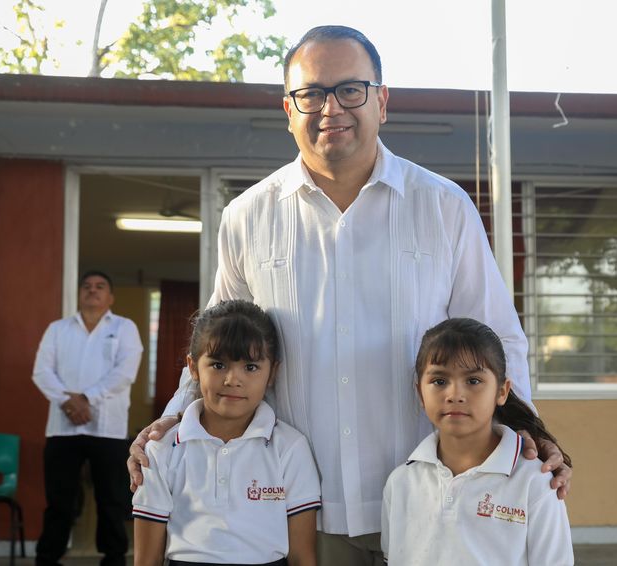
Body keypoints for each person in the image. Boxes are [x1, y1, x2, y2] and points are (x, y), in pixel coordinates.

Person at [129, 25, 572, 565]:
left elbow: (499, 339)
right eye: (310, 93)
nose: (329, 108)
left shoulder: (443, 207)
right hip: (305, 509)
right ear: (288, 109)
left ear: (381, 101)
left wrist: (528, 435)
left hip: (436, 496)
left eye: (349, 90)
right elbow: (221, 345)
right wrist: (173, 420)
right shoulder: (248, 216)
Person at [132, 300, 320, 566]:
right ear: (194, 368)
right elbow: (146, 560)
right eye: (218, 365)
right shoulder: (161, 449)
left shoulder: (289, 448)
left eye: (251, 367)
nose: (233, 379)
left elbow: (303, 557)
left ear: (272, 372)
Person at [381, 318, 573, 565]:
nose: (455, 395)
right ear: (420, 393)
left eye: (473, 381)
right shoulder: (401, 483)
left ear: (502, 392)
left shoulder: (534, 483)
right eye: (439, 381)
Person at [32, 270, 143, 566]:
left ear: (110, 297)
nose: (92, 291)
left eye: (100, 286)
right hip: (62, 428)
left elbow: (124, 373)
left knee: (111, 500)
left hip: (108, 428)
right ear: (79, 294)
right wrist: (68, 402)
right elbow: (41, 372)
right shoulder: (58, 329)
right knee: (59, 501)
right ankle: (48, 557)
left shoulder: (124, 328)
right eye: (87, 286)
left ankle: (114, 558)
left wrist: (84, 399)